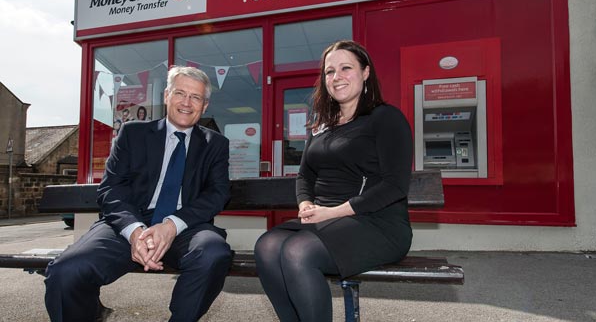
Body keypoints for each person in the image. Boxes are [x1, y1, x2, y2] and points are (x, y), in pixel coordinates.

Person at [44, 66, 232, 322]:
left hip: (185, 228)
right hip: (127, 225)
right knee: (66, 270)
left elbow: (217, 193)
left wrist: (171, 226)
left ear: (205, 104)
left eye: (195, 97)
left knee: (213, 254)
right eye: (180, 93)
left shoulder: (216, 144)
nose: (186, 103)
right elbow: (111, 188)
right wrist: (134, 231)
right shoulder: (133, 133)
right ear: (166, 96)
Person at [254, 40, 413, 322]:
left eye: (345, 68)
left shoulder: (385, 118)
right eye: (329, 71)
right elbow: (305, 175)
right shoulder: (321, 124)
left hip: (375, 222)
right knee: (267, 246)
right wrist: (305, 203)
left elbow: (395, 185)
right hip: (325, 221)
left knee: (297, 252)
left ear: (365, 73)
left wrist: (334, 211)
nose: (336, 77)